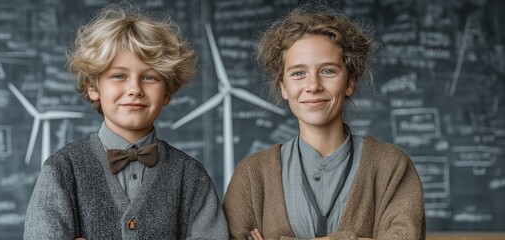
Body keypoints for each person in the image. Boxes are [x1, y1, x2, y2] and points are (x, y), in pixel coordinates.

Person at [24, 3, 228, 239]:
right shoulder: (62, 171)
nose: (134, 89)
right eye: (119, 76)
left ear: (167, 92)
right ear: (93, 87)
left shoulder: (192, 177)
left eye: (149, 77)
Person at [222, 5, 425, 240]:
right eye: (298, 73)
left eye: (328, 71)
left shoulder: (392, 167)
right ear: (283, 87)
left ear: (349, 82)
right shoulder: (252, 176)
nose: (313, 85)